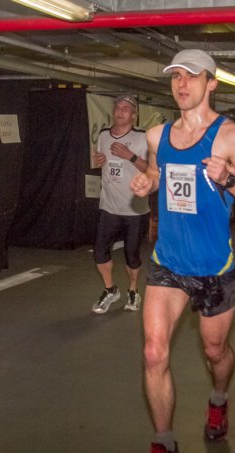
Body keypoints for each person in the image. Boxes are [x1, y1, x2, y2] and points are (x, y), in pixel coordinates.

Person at [130, 49, 235, 453]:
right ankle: (164, 440)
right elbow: (157, 172)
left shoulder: (230, 136)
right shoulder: (157, 135)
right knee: (153, 352)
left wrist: (229, 178)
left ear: (212, 83)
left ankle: (219, 399)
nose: (182, 83)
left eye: (192, 76)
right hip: (168, 263)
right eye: (176, 75)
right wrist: (148, 183)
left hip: (214, 268)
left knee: (215, 350)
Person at [91, 95, 149, 314]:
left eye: (126, 108)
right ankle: (110, 290)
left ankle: (133, 290)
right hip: (109, 206)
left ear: (134, 115)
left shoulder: (142, 137)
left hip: (135, 208)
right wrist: (98, 162)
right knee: (99, 252)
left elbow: (152, 170)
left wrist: (130, 156)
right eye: (118, 107)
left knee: (131, 255)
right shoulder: (104, 135)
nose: (120, 111)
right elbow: (100, 161)